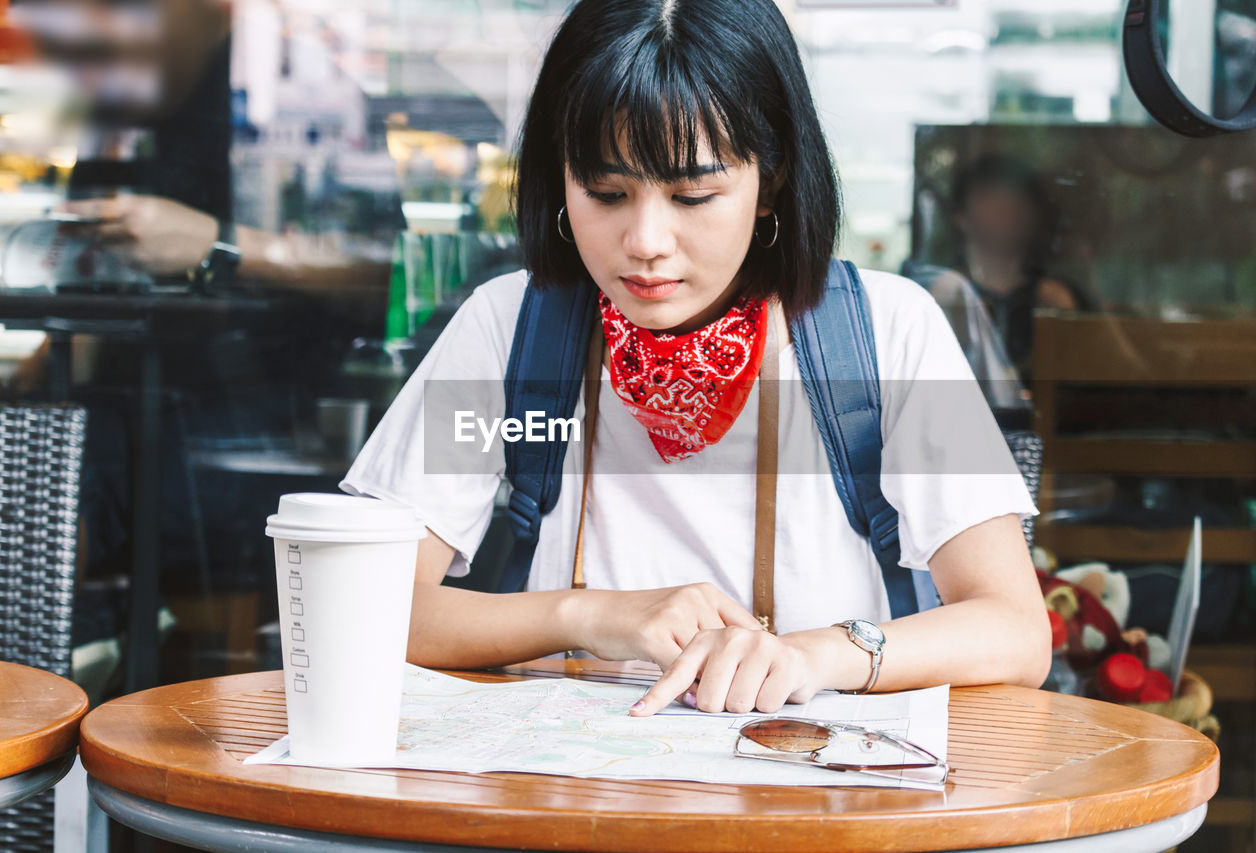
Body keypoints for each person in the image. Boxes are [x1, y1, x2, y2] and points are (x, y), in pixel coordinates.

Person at [344, 0, 1051, 716]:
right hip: (565, 803)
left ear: (770, 180)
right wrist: (586, 617)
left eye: (693, 194)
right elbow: (357, 603)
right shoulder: (509, 330)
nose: (646, 239)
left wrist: (814, 653)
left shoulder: (888, 334)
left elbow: (1016, 631)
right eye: (606, 191)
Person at [945, 154, 1085, 380]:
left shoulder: (1060, 299)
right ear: (960, 217)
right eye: (990, 195)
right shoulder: (937, 297)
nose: (1007, 206)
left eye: (1018, 196)